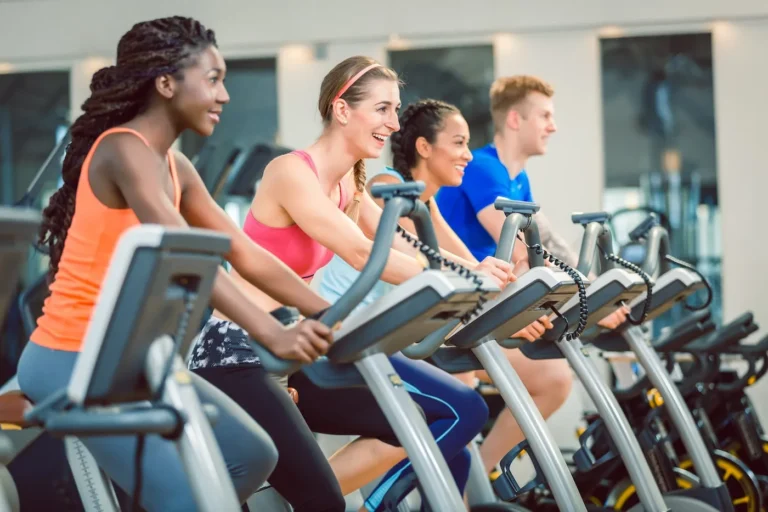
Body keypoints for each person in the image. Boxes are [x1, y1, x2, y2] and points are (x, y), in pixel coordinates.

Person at [15, 17, 340, 512]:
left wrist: (329, 312)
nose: (225, 94)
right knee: (187, 497)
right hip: (70, 356)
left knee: (251, 455)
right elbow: (185, 254)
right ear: (166, 84)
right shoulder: (123, 149)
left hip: (130, 355)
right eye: (212, 79)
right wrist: (271, 333)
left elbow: (245, 253)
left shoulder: (176, 167)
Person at [192, 57, 515, 512]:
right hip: (237, 355)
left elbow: (401, 249)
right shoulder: (290, 172)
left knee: (432, 416)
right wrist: (460, 277)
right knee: (323, 501)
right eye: (383, 109)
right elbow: (364, 253)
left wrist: (472, 274)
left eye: (395, 110)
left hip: (294, 350)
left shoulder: (348, 185)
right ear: (342, 110)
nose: (393, 123)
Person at [435, 75, 629, 473]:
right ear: (514, 120)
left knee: (544, 383)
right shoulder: (483, 168)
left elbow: (551, 247)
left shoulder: (517, 178)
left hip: (485, 305)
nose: (552, 126)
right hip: (457, 308)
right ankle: (475, 485)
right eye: (544, 115)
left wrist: (596, 291)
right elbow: (521, 250)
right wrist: (587, 300)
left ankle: (474, 485)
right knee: (552, 379)